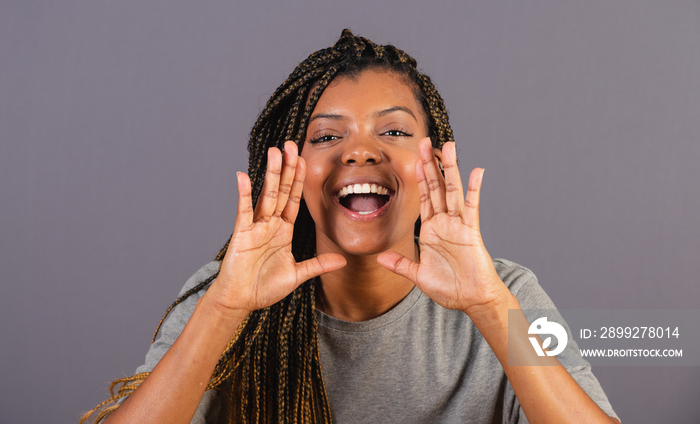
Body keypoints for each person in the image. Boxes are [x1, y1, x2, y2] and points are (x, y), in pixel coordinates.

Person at [83, 30, 620, 423]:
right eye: (325, 137)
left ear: (433, 163)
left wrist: (487, 306)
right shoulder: (224, 296)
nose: (361, 151)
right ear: (290, 167)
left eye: (393, 130)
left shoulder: (507, 296)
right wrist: (222, 312)